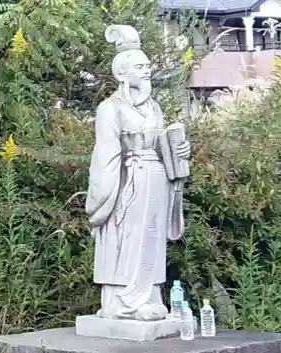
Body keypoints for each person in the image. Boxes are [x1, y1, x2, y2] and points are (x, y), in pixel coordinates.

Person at [85, 24, 191, 321]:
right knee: (128, 238)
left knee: (152, 238)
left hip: (157, 180)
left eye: (148, 66)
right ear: (123, 73)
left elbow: (161, 143)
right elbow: (105, 155)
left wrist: (179, 151)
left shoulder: (154, 107)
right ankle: (123, 303)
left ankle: (150, 295)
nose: (147, 72)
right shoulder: (110, 108)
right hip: (127, 182)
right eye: (140, 67)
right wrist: (100, 200)